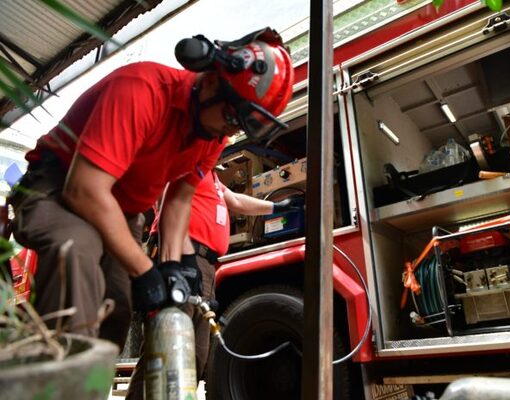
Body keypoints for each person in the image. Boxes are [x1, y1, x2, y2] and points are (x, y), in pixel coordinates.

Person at [9, 27, 294, 356]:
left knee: (115, 304)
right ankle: (51, 383)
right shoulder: (141, 90)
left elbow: (179, 199)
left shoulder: (212, 134)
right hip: (58, 185)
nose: (229, 131)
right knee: (74, 251)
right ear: (213, 81)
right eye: (231, 118)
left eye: (239, 126)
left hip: (121, 208)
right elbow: (84, 190)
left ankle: (88, 387)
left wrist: (171, 267)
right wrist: (145, 271)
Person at [126, 168, 302, 398]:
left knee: (196, 354)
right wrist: (174, 258)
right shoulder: (186, 161)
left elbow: (237, 200)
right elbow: (164, 198)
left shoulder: (213, 179)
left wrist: (277, 207)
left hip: (205, 265)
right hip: (181, 257)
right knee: (165, 347)